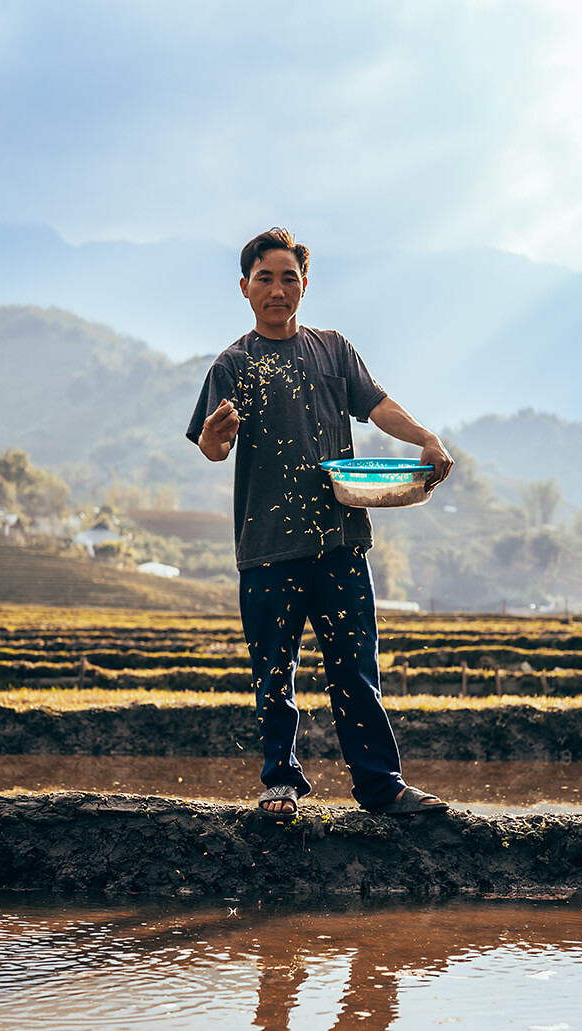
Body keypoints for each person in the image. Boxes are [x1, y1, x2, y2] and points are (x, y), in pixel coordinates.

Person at [186, 227, 454, 820]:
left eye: (288, 277)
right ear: (244, 288)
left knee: (355, 671)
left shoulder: (332, 349)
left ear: (304, 285)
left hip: (339, 540)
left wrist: (425, 437)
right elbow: (212, 446)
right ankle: (280, 785)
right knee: (274, 673)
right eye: (265, 278)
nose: (277, 289)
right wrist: (212, 439)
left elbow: (379, 406)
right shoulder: (233, 365)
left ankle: (381, 788)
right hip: (268, 547)